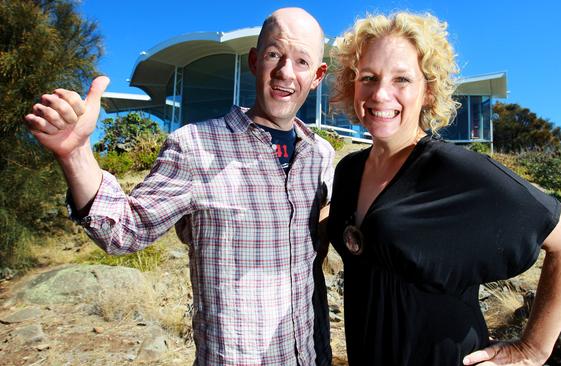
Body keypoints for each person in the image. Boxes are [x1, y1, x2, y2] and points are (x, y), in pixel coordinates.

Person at [24, 7, 334, 366]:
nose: (285, 72)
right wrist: (76, 153)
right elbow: (124, 232)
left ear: (317, 76)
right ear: (254, 61)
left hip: (310, 355)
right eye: (274, 55)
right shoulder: (195, 146)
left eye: (301, 61)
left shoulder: (320, 156)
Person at [326, 12, 561, 366]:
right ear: (352, 83)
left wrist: (533, 348)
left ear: (428, 90)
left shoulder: (457, 171)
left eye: (402, 79)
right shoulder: (348, 171)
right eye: (369, 77)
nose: (380, 93)